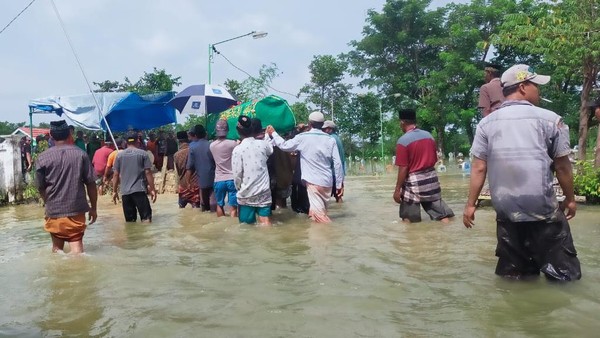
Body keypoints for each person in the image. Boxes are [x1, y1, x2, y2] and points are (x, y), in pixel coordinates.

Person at [463, 64, 581, 281]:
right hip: (542, 209)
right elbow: (563, 166)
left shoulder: (485, 125)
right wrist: (571, 200)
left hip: (506, 211)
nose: (539, 90)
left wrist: (470, 205)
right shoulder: (551, 120)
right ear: (524, 87)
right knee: (565, 277)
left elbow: (479, 167)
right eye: (536, 85)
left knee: (515, 277)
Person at [266, 111, 344, 223]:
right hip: (327, 182)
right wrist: (339, 184)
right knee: (315, 213)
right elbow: (337, 163)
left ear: (309, 123)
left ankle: (333, 235)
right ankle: (315, 238)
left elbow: (284, 146)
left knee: (320, 217)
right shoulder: (330, 139)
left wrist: (273, 133)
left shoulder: (303, 137)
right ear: (322, 124)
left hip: (313, 182)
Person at [35, 120, 97, 253]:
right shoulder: (81, 154)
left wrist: (48, 203)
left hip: (54, 210)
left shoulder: (42, 158)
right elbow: (91, 183)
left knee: (57, 250)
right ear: (70, 134)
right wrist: (93, 208)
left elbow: (40, 186)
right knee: (77, 251)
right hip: (76, 209)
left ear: (51, 136)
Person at [392, 108, 454, 223]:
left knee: (408, 220)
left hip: (414, 182)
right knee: (442, 216)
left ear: (402, 122)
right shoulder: (429, 136)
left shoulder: (403, 141)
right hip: (431, 179)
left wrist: (397, 190)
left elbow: (403, 168)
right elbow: (435, 159)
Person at [232, 116, 273, 225]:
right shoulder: (263, 145)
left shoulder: (238, 149)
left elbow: (237, 174)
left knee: (246, 226)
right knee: (266, 222)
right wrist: (267, 135)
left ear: (238, 131)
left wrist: (239, 188)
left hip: (246, 193)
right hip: (263, 192)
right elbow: (271, 150)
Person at [112, 131, 157, 222]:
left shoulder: (119, 156)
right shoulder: (143, 154)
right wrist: (152, 189)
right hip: (139, 191)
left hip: (125, 193)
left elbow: (116, 174)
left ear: (125, 142)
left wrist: (114, 191)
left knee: (130, 222)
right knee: (146, 220)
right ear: (138, 141)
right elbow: (148, 172)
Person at [209, 119, 238, 217]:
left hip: (219, 179)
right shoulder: (233, 144)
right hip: (232, 178)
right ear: (227, 130)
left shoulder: (212, 145)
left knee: (219, 205)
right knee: (233, 206)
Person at [185, 125, 216, 212]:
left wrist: (188, 182)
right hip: (214, 178)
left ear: (195, 135)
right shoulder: (211, 145)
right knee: (213, 203)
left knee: (203, 204)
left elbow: (189, 167)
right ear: (205, 133)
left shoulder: (192, 147)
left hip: (201, 180)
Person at [174, 130, 200, 208]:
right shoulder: (194, 150)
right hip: (194, 186)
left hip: (182, 186)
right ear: (187, 139)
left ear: (178, 141)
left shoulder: (176, 155)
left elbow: (178, 172)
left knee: (181, 209)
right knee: (196, 210)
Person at [322, 120, 345, 203]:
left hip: (333, 172)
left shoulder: (330, 139)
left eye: (324, 129)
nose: (323, 131)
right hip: (339, 172)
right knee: (338, 196)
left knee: (325, 198)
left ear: (330, 129)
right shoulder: (337, 138)